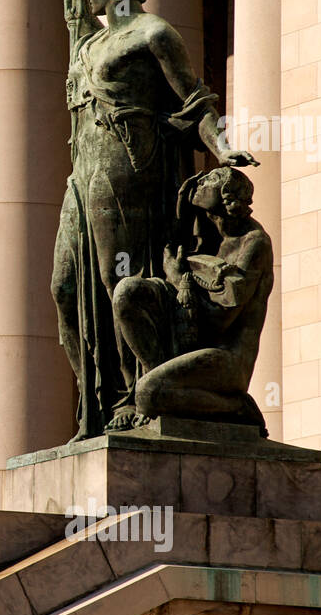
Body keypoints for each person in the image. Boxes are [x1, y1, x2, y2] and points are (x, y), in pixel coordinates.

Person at [52, 0, 258, 439]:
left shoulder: (153, 35)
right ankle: (96, 402)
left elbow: (194, 100)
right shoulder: (91, 42)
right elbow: (77, 41)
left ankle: (131, 395)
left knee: (114, 278)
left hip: (129, 169)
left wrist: (223, 147)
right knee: (64, 287)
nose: (88, 1)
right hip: (83, 174)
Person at [111, 166, 272, 431]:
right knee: (127, 292)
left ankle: (236, 405)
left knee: (147, 394)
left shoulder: (253, 243)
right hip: (193, 352)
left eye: (209, 180)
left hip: (226, 361)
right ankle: (157, 381)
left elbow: (219, 319)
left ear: (225, 195)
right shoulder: (207, 236)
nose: (199, 182)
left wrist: (178, 280)